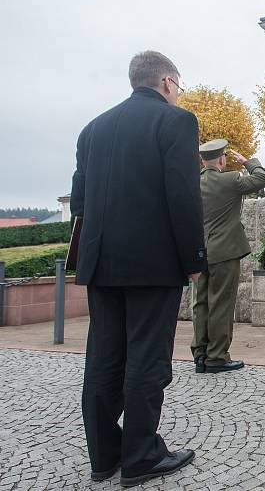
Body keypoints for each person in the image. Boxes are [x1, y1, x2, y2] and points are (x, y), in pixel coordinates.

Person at [70, 51, 205, 487]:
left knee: (104, 359)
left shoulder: (92, 129)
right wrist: (194, 260)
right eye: (178, 84)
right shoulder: (176, 122)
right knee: (148, 360)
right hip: (153, 263)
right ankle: (141, 457)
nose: (178, 92)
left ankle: (104, 456)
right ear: (167, 82)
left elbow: (79, 203)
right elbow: (183, 197)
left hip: (101, 261)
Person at [192, 140, 265, 375]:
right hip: (224, 252)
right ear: (221, 159)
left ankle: (200, 355)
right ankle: (216, 357)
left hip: (199, 252)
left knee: (201, 304)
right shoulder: (230, 179)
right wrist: (247, 162)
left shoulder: (192, 183)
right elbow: (263, 179)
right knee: (221, 304)